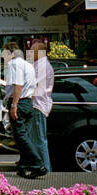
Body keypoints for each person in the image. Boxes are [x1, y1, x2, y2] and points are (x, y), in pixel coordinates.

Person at [3, 41, 44, 179]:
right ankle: (23, 165)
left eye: (5, 53)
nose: (3, 57)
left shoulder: (14, 64)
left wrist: (14, 105)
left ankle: (37, 164)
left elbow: (18, 85)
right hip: (27, 102)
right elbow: (33, 84)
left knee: (20, 135)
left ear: (11, 53)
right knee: (23, 135)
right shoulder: (28, 64)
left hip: (19, 102)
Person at [29, 39, 54, 175]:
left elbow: (34, 86)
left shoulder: (43, 66)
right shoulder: (39, 64)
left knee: (39, 140)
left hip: (38, 105)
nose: (30, 53)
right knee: (36, 139)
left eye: (32, 50)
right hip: (37, 105)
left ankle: (45, 169)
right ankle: (39, 166)